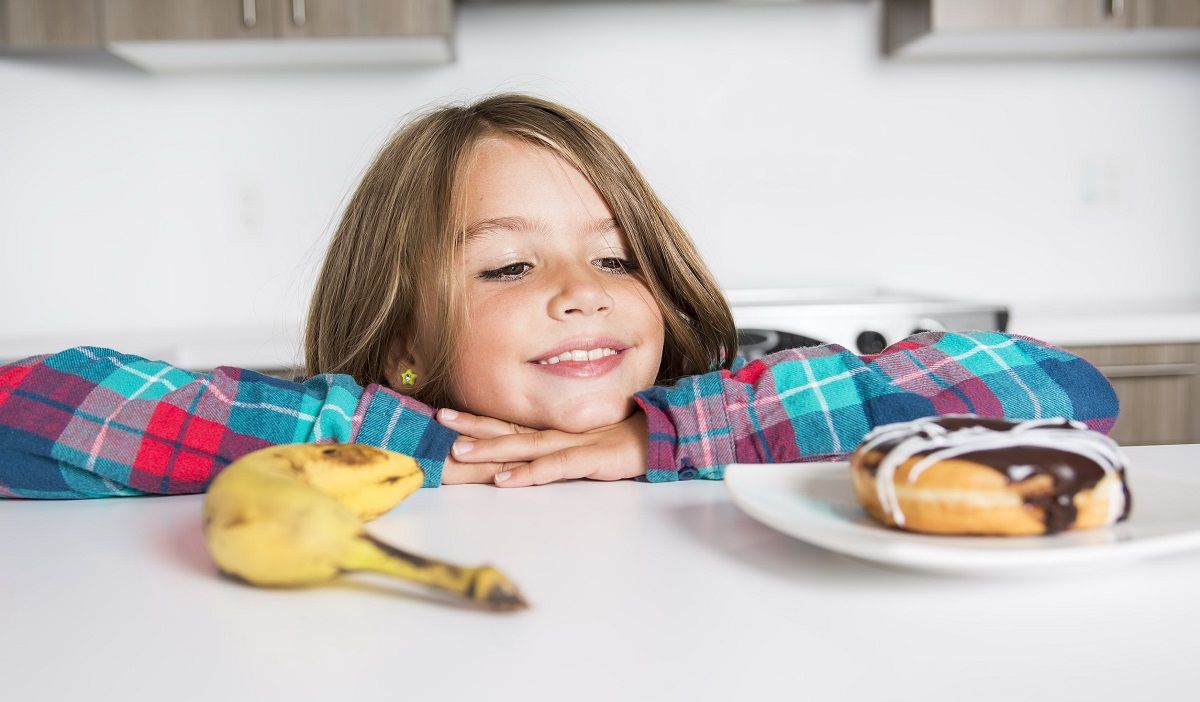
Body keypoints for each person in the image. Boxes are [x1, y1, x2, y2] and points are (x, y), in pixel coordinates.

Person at [0, 93, 1118, 500]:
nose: (583, 295)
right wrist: (414, 447)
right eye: (509, 265)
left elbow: (1060, 385)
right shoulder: (367, 428)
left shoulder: (727, 404)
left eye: (616, 257)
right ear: (402, 341)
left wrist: (666, 436)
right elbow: (29, 405)